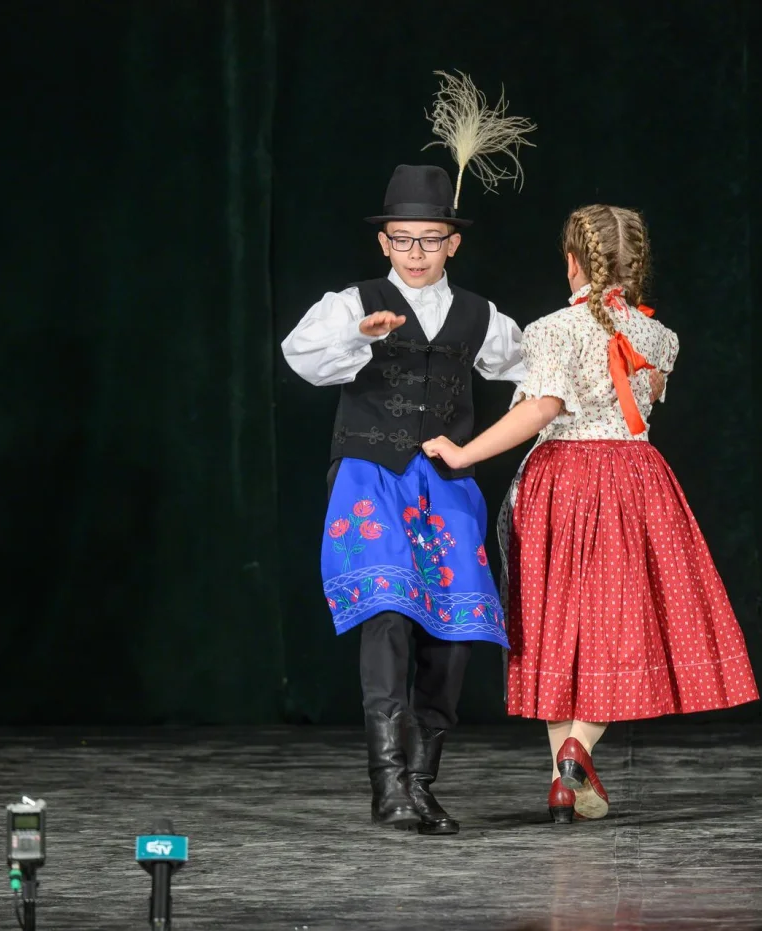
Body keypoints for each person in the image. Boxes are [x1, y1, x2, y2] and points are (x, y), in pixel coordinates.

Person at [422, 204, 759, 823]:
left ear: (573, 262)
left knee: (560, 628)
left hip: (565, 483)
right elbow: (640, 397)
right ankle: (567, 776)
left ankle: (570, 757)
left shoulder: (553, 329)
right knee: (615, 626)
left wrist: (464, 453)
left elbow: (541, 408)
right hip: (635, 481)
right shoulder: (659, 337)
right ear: (637, 266)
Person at [280, 162, 526, 836]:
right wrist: (359, 336)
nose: (416, 252)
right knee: (387, 614)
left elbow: (537, 372)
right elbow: (302, 356)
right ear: (384, 242)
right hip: (371, 476)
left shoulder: (480, 315)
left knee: (454, 631)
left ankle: (421, 783)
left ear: (453, 243)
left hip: (445, 483)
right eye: (403, 239)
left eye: (430, 239)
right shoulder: (353, 304)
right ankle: (387, 784)